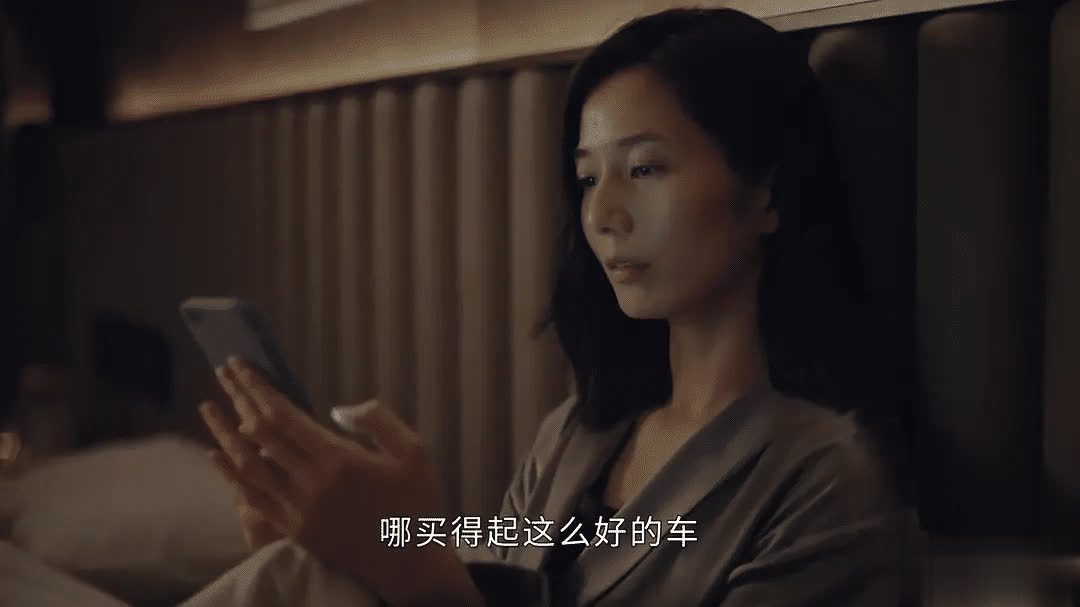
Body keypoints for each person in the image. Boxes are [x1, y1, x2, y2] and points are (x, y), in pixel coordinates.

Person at [190, 7, 912, 606]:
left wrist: (412, 570)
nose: (604, 214)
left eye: (645, 168)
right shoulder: (577, 433)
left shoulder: (825, 482)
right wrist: (346, 539)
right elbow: (484, 578)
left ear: (765, 195)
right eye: (588, 178)